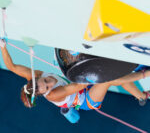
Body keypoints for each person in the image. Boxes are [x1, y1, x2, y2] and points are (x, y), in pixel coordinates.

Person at [0, 39, 150, 110]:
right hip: (86, 100)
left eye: (46, 80)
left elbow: (12, 67)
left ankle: (142, 97)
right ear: (46, 93)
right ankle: (146, 74)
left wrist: (2, 46)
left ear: (37, 77)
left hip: (80, 84)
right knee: (106, 79)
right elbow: (80, 84)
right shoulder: (54, 94)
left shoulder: (34, 75)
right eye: (48, 87)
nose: (50, 83)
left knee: (109, 76)